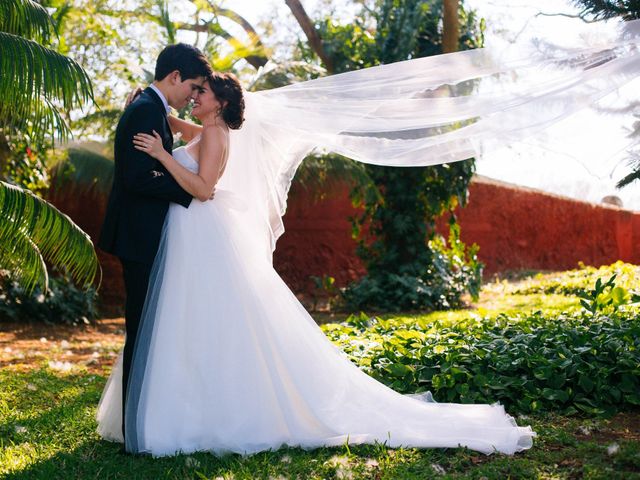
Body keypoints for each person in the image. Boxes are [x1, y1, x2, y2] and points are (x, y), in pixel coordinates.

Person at [96, 69, 535, 457]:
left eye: (203, 92)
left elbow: (204, 188)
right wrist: (154, 108)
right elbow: (187, 128)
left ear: (221, 103)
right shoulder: (209, 129)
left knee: (207, 319)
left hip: (201, 229)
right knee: (197, 319)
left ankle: (198, 409)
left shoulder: (213, 135)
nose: (196, 96)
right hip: (196, 235)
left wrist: (160, 156)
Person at [97, 43, 212, 447]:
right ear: (175, 77)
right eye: (193, 86)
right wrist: (190, 190)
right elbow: (136, 178)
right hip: (139, 236)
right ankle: (134, 427)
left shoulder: (152, 107)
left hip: (143, 233)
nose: (194, 96)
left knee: (147, 329)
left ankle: (142, 419)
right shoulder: (146, 109)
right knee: (141, 329)